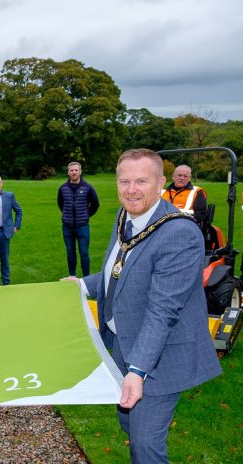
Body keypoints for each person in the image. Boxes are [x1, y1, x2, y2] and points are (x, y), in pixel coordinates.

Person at [76, 148, 221, 463]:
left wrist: (138, 370)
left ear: (161, 184)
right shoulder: (125, 215)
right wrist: (82, 285)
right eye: (124, 181)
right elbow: (120, 270)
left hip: (160, 357)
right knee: (128, 420)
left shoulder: (179, 233)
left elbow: (162, 311)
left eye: (141, 181)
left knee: (145, 448)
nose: (131, 190)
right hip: (123, 342)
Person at [57, 161, 100, 277]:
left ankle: (86, 278)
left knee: (84, 252)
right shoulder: (62, 188)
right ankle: (72, 276)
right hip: (67, 227)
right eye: (71, 170)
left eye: (76, 170)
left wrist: (86, 215)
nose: (74, 172)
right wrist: (68, 216)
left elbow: (95, 204)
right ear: (68, 172)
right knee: (70, 252)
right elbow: (61, 204)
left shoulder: (88, 188)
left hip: (82, 226)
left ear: (80, 171)